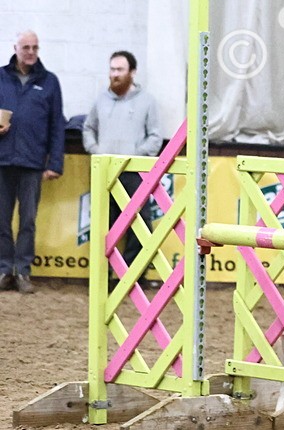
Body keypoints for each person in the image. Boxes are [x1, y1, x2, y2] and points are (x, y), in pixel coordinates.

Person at [83, 51, 162, 282]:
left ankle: (128, 276)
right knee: (104, 226)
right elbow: (88, 128)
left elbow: (155, 137)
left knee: (138, 226)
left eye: (120, 70)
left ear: (132, 73)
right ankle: (103, 276)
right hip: (105, 173)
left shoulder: (147, 101)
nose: (115, 75)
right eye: (112, 70)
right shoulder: (101, 100)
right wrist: (96, 152)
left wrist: (134, 158)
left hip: (134, 173)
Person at [0, 31, 65, 294]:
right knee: (1, 220)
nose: (30, 51)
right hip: (2, 161)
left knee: (28, 220)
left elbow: (56, 126)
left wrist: (56, 163)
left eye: (35, 47)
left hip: (32, 163)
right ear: (15, 48)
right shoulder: (0, 77)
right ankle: (4, 269)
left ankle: (23, 271)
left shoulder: (50, 82)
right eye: (26, 46)